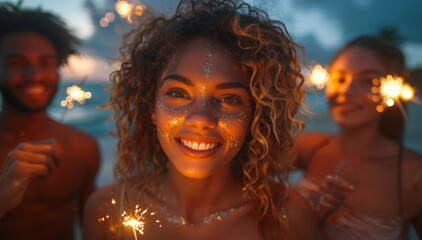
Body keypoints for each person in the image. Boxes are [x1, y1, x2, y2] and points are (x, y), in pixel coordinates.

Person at [83, 0, 319, 239]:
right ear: (152, 108)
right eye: (178, 94)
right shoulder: (109, 210)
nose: (201, 119)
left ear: (255, 116)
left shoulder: (289, 217)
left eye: (229, 99)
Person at [294, 35, 422, 239]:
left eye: (369, 81)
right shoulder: (309, 147)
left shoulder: (418, 177)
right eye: (339, 78)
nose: (347, 91)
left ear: (393, 92)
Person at [0, 3, 100, 240]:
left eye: (46, 62)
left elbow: (91, 229)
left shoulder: (84, 148)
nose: (34, 74)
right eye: (16, 63)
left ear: (58, 71)